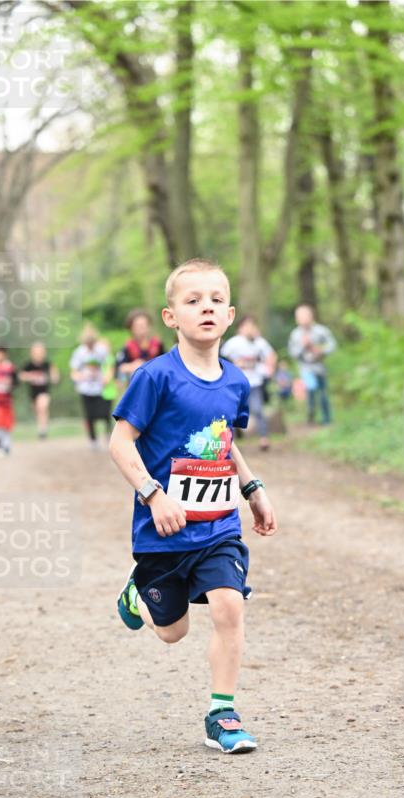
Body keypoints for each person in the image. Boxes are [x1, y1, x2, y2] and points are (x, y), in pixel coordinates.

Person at [109, 258, 277, 754]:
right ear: (170, 316)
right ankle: (139, 593)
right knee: (172, 633)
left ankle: (222, 713)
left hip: (216, 525)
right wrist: (152, 493)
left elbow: (224, 441)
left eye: (216, 300)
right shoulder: (154, 377)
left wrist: (252, 489)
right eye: (193, 300)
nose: (206, 307)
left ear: (230, 316)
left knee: (229, 606)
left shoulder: (235, 381)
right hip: (162, 528)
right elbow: (121, 443)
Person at [220, 315, 277, 450]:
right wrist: (234, 364)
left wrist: (270, 369)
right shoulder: (233, 343)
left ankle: (264, 439)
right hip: (237, 383)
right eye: (246, 326)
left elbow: (271, 355)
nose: (249, 329)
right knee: (232, 411)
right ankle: (228, 441)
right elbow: (221, 357)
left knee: (258, 410)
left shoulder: (259, 342)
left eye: (251, 326)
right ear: (240, 328)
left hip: (255, 382)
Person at [288, 304, 337, 425]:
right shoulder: (295, 334)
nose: (302, 319)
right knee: (311, 388)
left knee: (323, 393)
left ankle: (326, 419)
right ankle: (311, 415)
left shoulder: (321, 331)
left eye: (305, 316)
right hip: (305, 367)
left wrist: (320, 350)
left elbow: (332, 345)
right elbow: (292, 352)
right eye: (299, 316)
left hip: (320, 367)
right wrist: (303, 346)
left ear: (311, 316)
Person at [70, 324, 112, 449]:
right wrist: (78, 378)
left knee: (105, 413)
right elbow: (74, 371)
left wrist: (107, 377)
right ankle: (93, 439)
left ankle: (108, 434)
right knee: (89, 415)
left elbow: (109, 364)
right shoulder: (79, 352)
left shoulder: (101, 350)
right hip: (85, 388)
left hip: (100, 388)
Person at [18, 341, 59, 439]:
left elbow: (55, 375)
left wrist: (54, 377)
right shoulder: (28, 365)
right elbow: (20, 376)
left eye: (40, 352)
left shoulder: (47, 364)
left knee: (42, 407)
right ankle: (41, 427)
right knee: (38, 410)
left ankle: (43, 430)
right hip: (33, 393)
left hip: (44, 391)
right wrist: (30, 376)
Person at [115, 308, 165, 385]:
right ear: (131, 328)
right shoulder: (128, 347)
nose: (142, 328)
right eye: (138, 325)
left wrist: (146, 365)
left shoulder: (158, 345)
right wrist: (133, 365)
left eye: (144, 325)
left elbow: (166, 365)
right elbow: (119, 368)